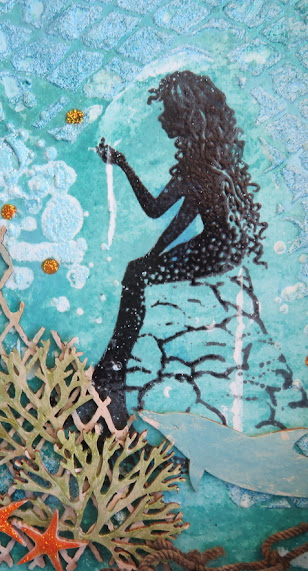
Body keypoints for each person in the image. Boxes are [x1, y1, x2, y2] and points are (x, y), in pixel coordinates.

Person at [92, 70, 267, 424]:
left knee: (135, 275)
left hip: (216, 250)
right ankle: (112, 368)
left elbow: (155, 209)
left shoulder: (195, 165)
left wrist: (122, 164)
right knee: (139, 269)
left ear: (186, 117)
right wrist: (153, 255)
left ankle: (113, 369)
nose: (162, 119)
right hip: (226, 245)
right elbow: (188, 214)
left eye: (168, 112)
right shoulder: (213, 158)